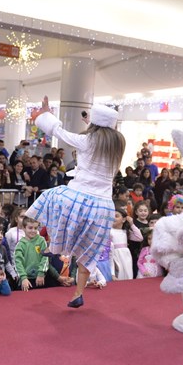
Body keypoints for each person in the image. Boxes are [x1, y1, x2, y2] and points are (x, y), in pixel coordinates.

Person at [25, 97, 126, 308]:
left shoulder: (89, 141)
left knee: (49, 198)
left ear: (95, 124)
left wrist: (45, 115)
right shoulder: (118, 143)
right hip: (103, 207)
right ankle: (78, 293)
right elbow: (101, 134)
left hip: (79, 198)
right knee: (87, 252)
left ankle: (52, 243)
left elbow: (59, 132)